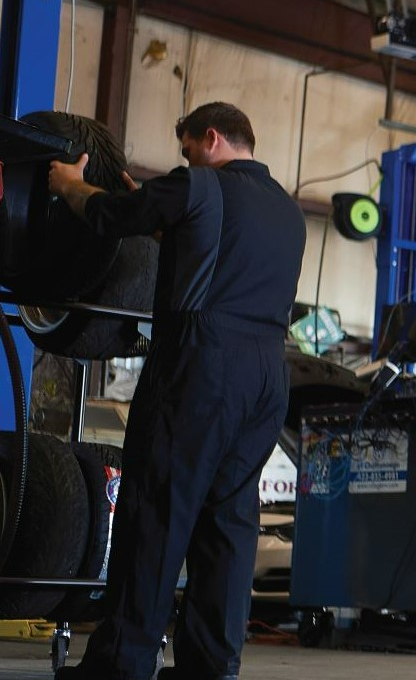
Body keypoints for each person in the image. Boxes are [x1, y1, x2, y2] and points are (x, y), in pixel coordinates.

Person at [49, 102, 307, 680]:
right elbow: (210, 250)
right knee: (228, 523)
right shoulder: (288, 213)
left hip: (201, 366)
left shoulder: (199, 184)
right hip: (267, 374)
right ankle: (210, 668)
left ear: (210, 138)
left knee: (157, 511)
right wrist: (154, 206)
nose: (185, 159)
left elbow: (114, 215)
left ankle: (122, 665)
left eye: (187, 148)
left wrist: (69, 186)